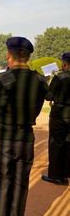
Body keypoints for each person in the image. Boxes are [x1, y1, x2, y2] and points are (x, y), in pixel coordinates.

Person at [0, 37, 48, 216]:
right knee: (20, 187)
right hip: (26, 139)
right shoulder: (40, 81)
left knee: (0, 185)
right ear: (28, 57)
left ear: (9, 56)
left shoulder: (2, 79)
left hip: (2, 139)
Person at [42, 52, 70, 186]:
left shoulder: (59, 77)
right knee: (68, 144)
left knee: (56, 143)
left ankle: (55, 176)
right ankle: (65, 175)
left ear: (64, 63)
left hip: (59, 114)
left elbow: (48, 96)